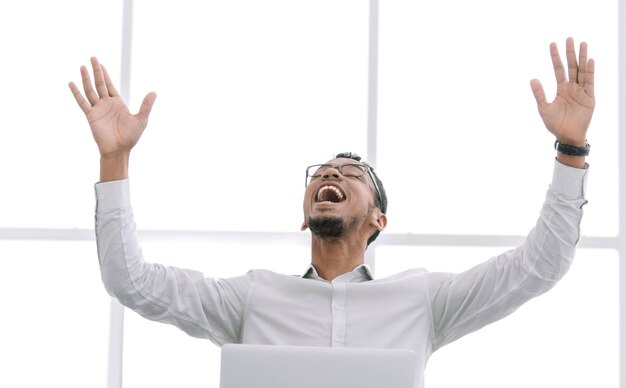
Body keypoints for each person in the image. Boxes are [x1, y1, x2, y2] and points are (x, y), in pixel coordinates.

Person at [69, 37, 594, 388]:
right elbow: (129, 281)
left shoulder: (423, 300)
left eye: (350, 174)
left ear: (378, 220)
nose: (330, 175)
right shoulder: (251, 298)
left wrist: (571, 149)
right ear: (305, 215)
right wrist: (114, 158)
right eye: (319, 172)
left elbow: (538, 266)